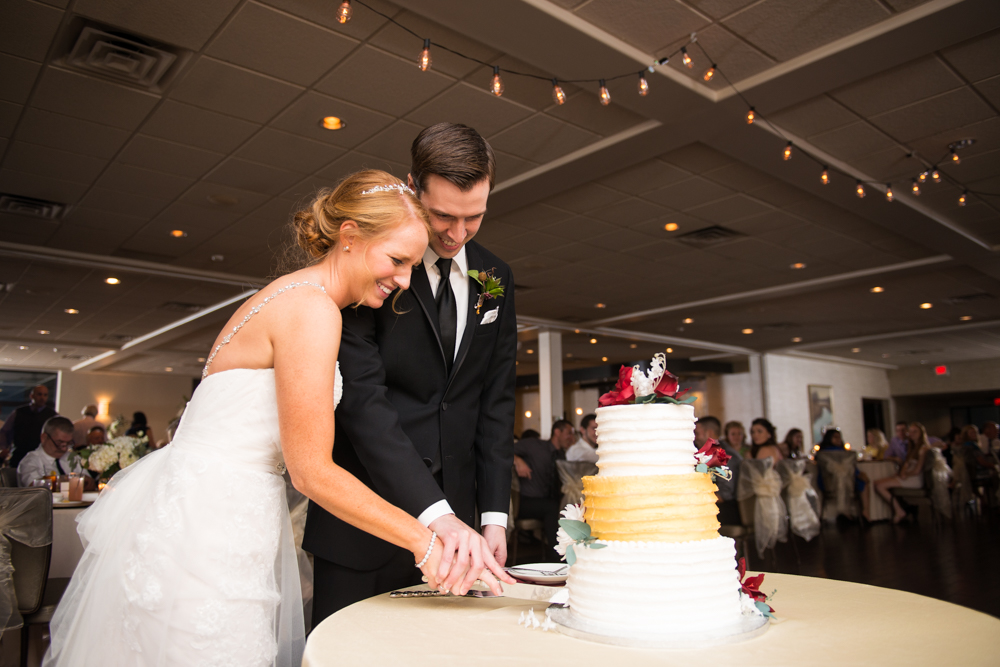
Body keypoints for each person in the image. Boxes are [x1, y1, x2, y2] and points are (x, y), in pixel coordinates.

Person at [43, 170, 512, 667]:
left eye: (412, 266)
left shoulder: (286, 295)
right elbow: (311, 470)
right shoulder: (312, 311)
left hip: (203, 515)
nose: (403, 280)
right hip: (213, 535)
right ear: (349, 236)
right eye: (397, 261)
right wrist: (426, 544)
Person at [303, 124, 517, 624]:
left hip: (460, 533)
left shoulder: (495, 277)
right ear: (413, 189)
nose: (457, 234)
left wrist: (492, 516)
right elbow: (362, 400)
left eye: (474, 218)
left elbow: (494, 399)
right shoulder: (375, 268)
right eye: (443, 215)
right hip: (364, 523)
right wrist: (430, 512)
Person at [512, 420, 576, 560]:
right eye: (569, 433)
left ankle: (574, 553)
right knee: (552, 507)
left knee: (567, 505)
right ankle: (557, 559)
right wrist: (517, 460)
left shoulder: (562, 456)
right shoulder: (535, 445)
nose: (572, 438)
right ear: (557, 432)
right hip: (524, 502)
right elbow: (504, 449)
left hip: (545, 502)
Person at [873, 422, 931, 524]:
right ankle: (900, 509)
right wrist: (902, 472)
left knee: (880, 485)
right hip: (908, 475)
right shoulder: (912, 447)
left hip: (915, 478)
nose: (912, 434)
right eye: (911, 431)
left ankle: (899, 510)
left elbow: (917, 470)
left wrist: (905, 474)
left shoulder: (923, 448)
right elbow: (906, 463)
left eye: (915, 431)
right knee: (877, 483)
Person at [695, 415, 742, 525]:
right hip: (717, 507)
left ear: (709, 433)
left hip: (727, 511)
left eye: (697, 433)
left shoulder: (723, 455)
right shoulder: (708, 454)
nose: (695, 438)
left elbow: (724, 494)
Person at [17, 417, 85, 487]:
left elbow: (87, 481)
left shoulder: (73, 458)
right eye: (59, 443)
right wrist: (72, 481)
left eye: (68, 443)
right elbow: (35, 486)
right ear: (44, 438)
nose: (64, 449)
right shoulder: (31, 461)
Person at [0, 384, 58, 469]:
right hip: (19, 454)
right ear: (32, 396)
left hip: (41, 456)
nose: (42, 398)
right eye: (39, 394)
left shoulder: (52, 415)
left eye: (45, 395)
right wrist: (3, 448)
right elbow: (5, 432)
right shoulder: (19, 412)